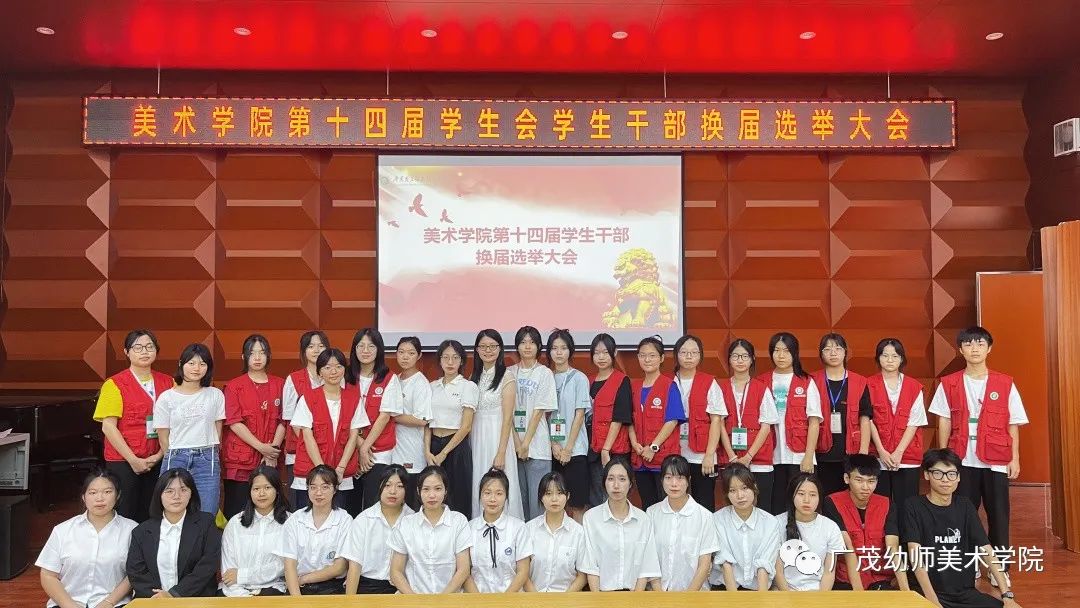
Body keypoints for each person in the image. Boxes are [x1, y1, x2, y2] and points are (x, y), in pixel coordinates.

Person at [929, 326, 1029, 585]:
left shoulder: (1005, 383)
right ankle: (968, 565)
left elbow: (1013, 423)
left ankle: (1000, 569)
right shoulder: (949, 383)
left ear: (989, 348)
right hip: (962, 460)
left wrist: (1014, 458)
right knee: (962, 514)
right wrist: (944, 459)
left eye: (980, 343)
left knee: (999, 516)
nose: (974, 348)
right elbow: (944, 420)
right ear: (960, 349)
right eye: (969, 344)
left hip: (996, 461)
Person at [904, 449, 1019, 608]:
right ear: (926, 475)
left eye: (951, 474)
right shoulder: (913, 506)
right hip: (927, 593)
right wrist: (933, 602)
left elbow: (987, 550)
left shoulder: (965, 506)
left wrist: (1007, 596)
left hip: (964, 594)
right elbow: (915, 556)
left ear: (958, 477)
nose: (945, 479)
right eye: (938, 473)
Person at [93, 329, 173, 522]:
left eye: (149, 347)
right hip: (123, 460)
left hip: (158, 458)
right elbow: (108, 427)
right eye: (138, 347)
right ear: (127, 352)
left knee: (154, 512)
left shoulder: (168, 382)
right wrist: (133, 460)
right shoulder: (114, 384)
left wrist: (159, 455)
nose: (144, 351)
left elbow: (174, 423)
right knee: (125, 513)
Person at [37, 469, 138, 608]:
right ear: (83, 497)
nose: (100, 498)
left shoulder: (132, 530)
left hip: (114, 604)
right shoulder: (63, 530)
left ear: (118, 495)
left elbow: (134, 574)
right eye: (92, 492)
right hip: (67, 604)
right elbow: (48, 575)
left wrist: (108, 602)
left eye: (107, 492)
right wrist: (69, 605)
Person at [291, 348, 370, 510]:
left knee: (338, 517)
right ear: (319, 372)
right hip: (310, 471)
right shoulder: (308, 398)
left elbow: (353, 436)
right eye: (327, 367)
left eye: (338, 366)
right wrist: (322, 471)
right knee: (306, 518)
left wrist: (339, 469)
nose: (333, 372)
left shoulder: (354, 399)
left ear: (344, 370)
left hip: (341, 474)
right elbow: (307, 436)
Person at [126, 468, 221, 598]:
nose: (176, 496)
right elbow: (136, 572)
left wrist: (175, 594)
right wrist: (159, 598)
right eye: (169, 491)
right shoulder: (142, 531)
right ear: (159, 495)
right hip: (153, 601)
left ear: (191, 493)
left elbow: (207, 565)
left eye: (183, 490)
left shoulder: (206, 523)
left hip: (195, 600)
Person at [153, 343, 225, 515]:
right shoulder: (166, 398)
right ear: (181, 364)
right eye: (191, 363)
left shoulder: (215, 394)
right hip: (176, 456)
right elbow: (163, 436)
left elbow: (218, 430)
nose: (197, 368)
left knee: (207, 511)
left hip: (207, 458)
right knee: (172, 510)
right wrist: (172, 455)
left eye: (202, 364)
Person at [821, 454, 908, 592]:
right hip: (846, 580)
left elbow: (893, 547)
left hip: (880, 578)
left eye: (871, 481)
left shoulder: (886, 504)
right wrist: (860, 595)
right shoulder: (832, 502)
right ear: (846, 478)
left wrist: (905, 591)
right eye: (859, 480)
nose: (865, 487)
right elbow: (847, 547)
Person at [221, 334, 285, 519]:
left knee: (271, 513)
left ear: (268, 356)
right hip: (240, 460)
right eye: (252, 353)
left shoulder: (281, 384)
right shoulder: (234, 386)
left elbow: (284, 420)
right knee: (237, 514)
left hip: (271, 458)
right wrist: (262, 448)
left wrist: (272, 451)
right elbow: (234, 422)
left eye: (262, 353)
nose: (257, 358)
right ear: (244, 356)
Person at [760, 333, 823, 515]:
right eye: (777, 350)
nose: (781, 355)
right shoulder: (762, 381)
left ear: (795, 353)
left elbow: (814, 421)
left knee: (801, 502)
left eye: (786, 351)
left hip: (799, 455)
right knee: (776, 504)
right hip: (770, 454)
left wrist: (808, 456)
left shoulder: (806, 382)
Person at [866, 338, 927, 515]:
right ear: (878, 358)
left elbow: (914, 422)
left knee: (907, 507)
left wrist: (899, 452)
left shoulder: (914, 386)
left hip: (907, 457)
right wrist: (881, 451)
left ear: (902, 359)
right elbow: (868, 420)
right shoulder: (868, 384)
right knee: (879, 508)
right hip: (878, 457)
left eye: (895, 356)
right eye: (885, 355)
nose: (890, 360)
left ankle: (907, 535)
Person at [388, 465, 473, 594]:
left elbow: (463, 569)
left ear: (445, 490)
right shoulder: (406, 524)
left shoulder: (458, 521)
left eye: (438, 489)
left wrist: (441, 600)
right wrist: (415, 601)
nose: (432, 495)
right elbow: (396, 571)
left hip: (450, 599)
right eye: (426, 489)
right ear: (418, 491)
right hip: (413, 599)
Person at [580, 458, 661, 591]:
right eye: (611, 479)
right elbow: (590, 565)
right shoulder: (591, 518)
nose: (616, 485)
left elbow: (646, 566)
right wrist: (597, 599)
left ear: (630, 484)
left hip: (634, 594)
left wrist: (636, 599)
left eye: (622, 479)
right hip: (602, 595)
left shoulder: (643, 519)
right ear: (604, 482)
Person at [720, 339, 780, 513]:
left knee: (762, 509)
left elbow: (766, 426)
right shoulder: (720, 387)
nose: (740, 360)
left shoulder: (762, 388)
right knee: (733, 509)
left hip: (759, 460)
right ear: (729, 359)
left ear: (752, 359)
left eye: (744, 356)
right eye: (735, 356)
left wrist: (748, 456)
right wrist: (732, 456)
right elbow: (719, 424)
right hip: (730, 459)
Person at [349, 328, 404, 514]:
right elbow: (342, 415)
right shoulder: (345, 377)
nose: (365, 351)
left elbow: (384, 416)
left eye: (371, 346)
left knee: (374, 507)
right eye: (361, 346)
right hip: (349, 450)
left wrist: (365, 448)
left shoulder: (389, 378)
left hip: (378, 454)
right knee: (350, 507)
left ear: (379, 350)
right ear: (354, 349)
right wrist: (359, 445)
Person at [470, 329, 523, 519]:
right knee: (479, 480)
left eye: (493, 346)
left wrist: (501, 452)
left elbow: (508, 419)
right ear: (477, 350)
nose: (488, 350)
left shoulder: (507, 377)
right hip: (477, 437)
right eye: (483, 346)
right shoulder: (474, 377)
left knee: (501, 483)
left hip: (498, 437)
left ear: (500, 349)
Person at [645, 455, 718, 591]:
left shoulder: (704, 516)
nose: (674, 483)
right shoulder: (651, 513)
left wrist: (687, 598)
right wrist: (658, 593)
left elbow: (704, 563)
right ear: (661, 480)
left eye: (680, 478)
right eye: (668, 477)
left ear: (688, 480)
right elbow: (648, 558)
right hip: (657, 592)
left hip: (694, 594)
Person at [811, 333, 871, 496]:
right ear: (821, 354)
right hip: (820, 453)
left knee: (849, 498)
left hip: (851, 452)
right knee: (823, 496)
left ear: (845, 352)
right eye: (827, 349)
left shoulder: (860, 382)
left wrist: (863, 452)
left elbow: (865, 418)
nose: (833, 353)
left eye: (838, 348)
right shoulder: (812, 380)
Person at [671, 334, 726, 511]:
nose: (689, 356)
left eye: (694, 352)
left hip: (702, 455)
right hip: (673, 451)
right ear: (676, 355)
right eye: (684, 352)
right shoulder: (667, 381)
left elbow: (716, 420)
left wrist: (709, 455)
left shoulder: (709, 382)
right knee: (677, 502)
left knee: (704, 504)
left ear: (700, 355)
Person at [276, 465, 352, 595]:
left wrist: (305, 579)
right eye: (313, 487)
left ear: (335, 489)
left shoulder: (345, 520)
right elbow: (289, 565)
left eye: (325, 487)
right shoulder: (295, 520)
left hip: (331, 588)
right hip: (297, 587)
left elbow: (340, 567)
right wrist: (297, 600)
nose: (318, 493)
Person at [628, 336, 685, 509]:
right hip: (640, 460)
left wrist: (653, 447)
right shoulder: (634, 386)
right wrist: (635, 444)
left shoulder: (669, 386)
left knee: (667, 506)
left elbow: (672, 420)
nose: (647, 359)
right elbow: (629, 420)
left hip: (663, 460)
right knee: (648, 506)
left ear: (661, 358)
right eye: (643, 355)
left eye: (652, 355)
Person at [508, 326, 558, 521]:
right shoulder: (509, 372)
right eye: (523, 342)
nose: (527, 346)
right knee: (518, 505)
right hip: (513, 448)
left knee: (538, 504)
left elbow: (539, 412)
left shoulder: (544, 373)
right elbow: (506, 413)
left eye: (531, 342)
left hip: (537, 447)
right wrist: (517, 444)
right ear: (517, 346)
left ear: (538, 346)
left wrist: (526, 444)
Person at [427, 339, 480, 518]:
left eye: (455, 358)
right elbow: (426, 422)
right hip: (434, 445)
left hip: (456, 446)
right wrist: (427, 451)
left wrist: (444, 453)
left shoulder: (468, 386)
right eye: (446, 357)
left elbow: (466, 426)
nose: (450, 362)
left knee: (458, 495)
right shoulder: (432, 386)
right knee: (433, 494)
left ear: (462, 361)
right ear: (439, 360)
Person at [219, 465, 290, 597]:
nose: (261, 494)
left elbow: (284, 566)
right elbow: (228, 572)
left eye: (267, 488)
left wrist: (242, 575)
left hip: (274, 590)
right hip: (234, 592)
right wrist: (243, 597)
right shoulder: (235, 523)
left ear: (277, 490)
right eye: (256, 489)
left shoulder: (289, 522)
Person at [710, 463, 781, 591]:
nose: (740, 496)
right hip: (725, 588)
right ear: (726, 494)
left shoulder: (770, 522)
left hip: (760, 589)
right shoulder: (717, 520)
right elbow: (725, 564)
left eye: (744, 488)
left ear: (754, 487)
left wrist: (762, 599)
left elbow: (764, 566)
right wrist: (735, 600)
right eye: (732, 490)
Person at [343, 464, 414, 594]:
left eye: (399, 486)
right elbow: (354, 567)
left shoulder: (413, 520)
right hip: (367, 587)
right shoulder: (364, 519)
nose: (393, 491)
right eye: (387, 485)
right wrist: (350, 602)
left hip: (403, 589)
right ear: (379, 487)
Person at [547, 329, 592, 520]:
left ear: (570, 350)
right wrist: (554, 444)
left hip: (575, 450)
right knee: (555, 503)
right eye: (554, 348)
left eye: (563, 348)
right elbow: (544, 415)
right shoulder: (546, 377)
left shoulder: (579, 378)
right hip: (553, 450)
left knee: (578, 504)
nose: (559, 352)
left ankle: (580, 538)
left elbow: (579, 415)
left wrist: (568, 449)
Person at [464, 468, 533, 592]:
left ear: (506, 496)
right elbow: (465, 571)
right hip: (477, 597)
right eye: (487, 493)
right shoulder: (469, 528)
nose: (492, 499)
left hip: (511, 597)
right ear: (480, 496)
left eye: (499, 493)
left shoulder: (518, 527)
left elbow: (523, 571)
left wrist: (504, 600)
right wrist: (478, 600)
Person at [772, 473, 844, 592]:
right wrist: (789, 597)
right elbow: (778, 572)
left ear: (819, 497)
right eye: (801, 494)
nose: (806, 500)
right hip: (784, 591)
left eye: (812, 495)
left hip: (818, 592)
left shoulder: (830, 527)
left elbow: (829, 572)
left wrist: (820, 598)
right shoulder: (776, 523)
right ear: (792, 496)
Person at [586, 333, 633, 507]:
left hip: (614, 451)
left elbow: (619, 417)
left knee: (612, 495)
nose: (601, 357)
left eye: (605, 352)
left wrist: (606, 449)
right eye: (597, 353)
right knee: (595, 498)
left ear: (614, 353)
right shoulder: (588, 381)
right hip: (592, 450)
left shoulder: (622, 380)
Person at [282, 330, 330, 503]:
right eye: (311, 346)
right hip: (299, 453)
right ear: (303, 351)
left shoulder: (335, 377)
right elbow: (291, 419)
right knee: (300, 505)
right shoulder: (293, 379)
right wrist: (312, 446)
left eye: (321, 346)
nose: (316, 350)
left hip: (330, 453)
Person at [524, 471, 587, 592]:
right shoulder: (529, 529)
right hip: (534, 598)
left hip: (567, 599)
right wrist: (536, 599)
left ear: (568, 496)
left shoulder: (578, 532)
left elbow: (582, 576)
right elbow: (522, 572)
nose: (554, 499)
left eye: (559, 493)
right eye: (548, 493)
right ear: (541, 497)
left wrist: (564, 600)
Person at [390, 337, 433, 511]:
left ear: (419, 355)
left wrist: (390, 416)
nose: (405, 357)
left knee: (410, 505)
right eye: (401, 352)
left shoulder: (420, 383)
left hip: (412, 452)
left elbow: (421, 420)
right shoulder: (395, 379)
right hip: (394, 450)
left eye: (411, 353)